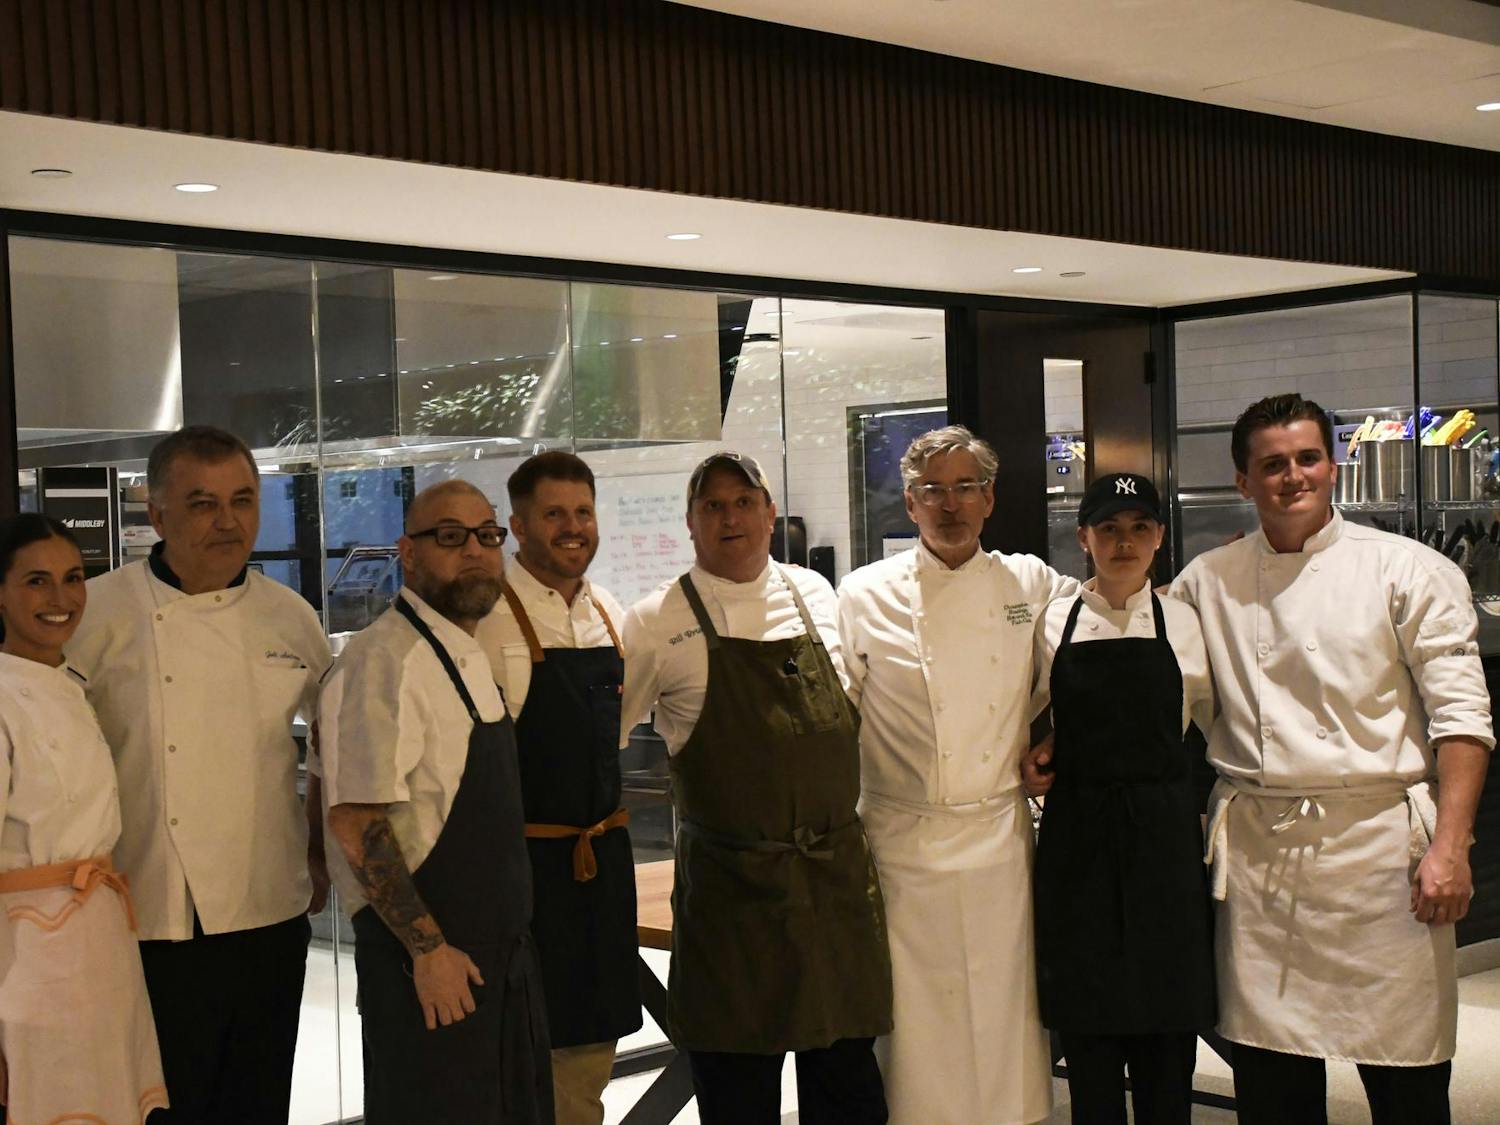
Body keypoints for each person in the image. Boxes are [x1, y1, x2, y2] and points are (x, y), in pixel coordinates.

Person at [1050, 392, 1490, 1125]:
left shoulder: (1408, 570)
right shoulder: (1205, 582)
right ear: (1243, 482)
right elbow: (1146, 678)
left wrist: (1452, 845)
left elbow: (1463, 720)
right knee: (1272, 1087)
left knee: (1407, 1077)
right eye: (1273, 464)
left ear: (1335, 464)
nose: (1294, 476)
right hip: (1260, 862)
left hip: (1382, 856)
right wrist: (1055, 739)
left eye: (1308, 458)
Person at [66, 426, 331, 1123]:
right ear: (157, 516)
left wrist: (319, 845)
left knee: (258, 1099)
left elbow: (336, 742)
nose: (228, 521)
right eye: (203, 504)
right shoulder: (98, 612)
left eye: (243, 500)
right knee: (160, 1104)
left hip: (268, 906)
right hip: (147, 912)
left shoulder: (290, 616)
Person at [620, 450, 892, 1125]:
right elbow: (604, 740)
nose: (730, 516)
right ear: (690, 522)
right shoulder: (657, 618)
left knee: (849, 1088)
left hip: (832, 885)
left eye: (744, 501)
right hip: (732, 897)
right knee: (737, 1093)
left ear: (771, 514)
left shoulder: (817, 594)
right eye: (713, 505)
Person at [835, 424, 1074, 1125]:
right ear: (909, 505)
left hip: (999, 838)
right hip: (903, 839)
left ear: (989, 498)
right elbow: (834, 713)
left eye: (965, 488)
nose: (950, 505)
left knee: (1005, 1013)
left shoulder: (1029, 583)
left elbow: (1093, 654)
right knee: (916, 1031)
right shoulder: (863, 594)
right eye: (932, 491)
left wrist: (1058, 733)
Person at [321, 479, 552, 1124]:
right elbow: (356, 821)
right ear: (409, 553)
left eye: (487, 536)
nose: (474, 551)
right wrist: (427, 952)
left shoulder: (462, 650)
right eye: (450, 537)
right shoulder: (386, 662)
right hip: (432, 969)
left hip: (494, 960)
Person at [1028, 473, 1216, 1124]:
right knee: (1091, 1055)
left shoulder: (1187, 623)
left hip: (1164, 850)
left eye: (1139, 526)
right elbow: (1015, 717)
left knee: (1168, 1055)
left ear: (1160, 537)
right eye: (1108, 527)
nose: (1123, 541)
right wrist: (1034, 753)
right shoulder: (1051, 621)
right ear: (1084, 538)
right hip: (1077, 849)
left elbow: (1220, 731)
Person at [476, 451, 640, 1125]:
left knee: (589, 1064)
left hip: (599, 871)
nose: (572, 527)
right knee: (520, 1065)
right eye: (554, 514)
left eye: (583, 512)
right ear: (517, 525)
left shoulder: (610, 612)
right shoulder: (485, 619)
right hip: (522, 874)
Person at [0, 515, 168, 1121]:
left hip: (100, 943)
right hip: (27, 957)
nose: (61, 599)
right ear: (1, 593)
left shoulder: (70, 682)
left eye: (73, 578)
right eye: (36, 582)